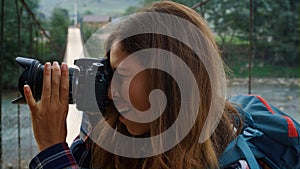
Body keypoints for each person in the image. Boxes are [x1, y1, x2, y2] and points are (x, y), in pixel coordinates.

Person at [24, 1, 249, 169]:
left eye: (123, 76)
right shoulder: (107, 133)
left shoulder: (229, 161)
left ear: (169, 84)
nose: (110, 93)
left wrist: (52, 148)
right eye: (111, 74)